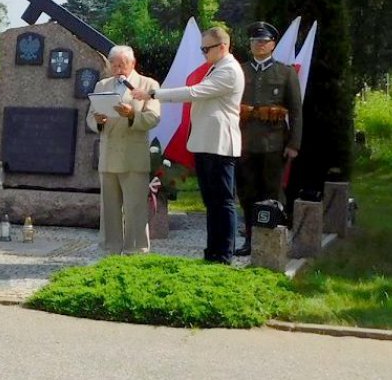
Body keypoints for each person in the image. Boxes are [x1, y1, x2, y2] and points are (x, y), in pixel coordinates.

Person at [135, 28, 242, 263]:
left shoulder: (229, 70)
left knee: (222, 201)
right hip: (206, 142)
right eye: (202, 48)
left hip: (220, 144)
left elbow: (195, 92)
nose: (203, 53)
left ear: (222, 46)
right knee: (211, 201)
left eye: (207, 49)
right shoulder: (215, 68)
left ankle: (224, 252)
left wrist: (154, 94)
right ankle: (213, 250)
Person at [87, 46, 161, 254]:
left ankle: (136, 250)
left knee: (135, 208)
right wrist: (98, 120)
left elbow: (153, 117)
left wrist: (131, 116)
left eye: (122, 64)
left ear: (133, 64)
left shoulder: (148, 84)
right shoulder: (102, 85)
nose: (118, 69)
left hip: (133, 157)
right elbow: (90, 118)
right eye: (114, 64)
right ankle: (109, 248)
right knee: (109, 208)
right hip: (109, 155)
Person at [237, 22, 302, 254]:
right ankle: (251, 239)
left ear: (273, 44)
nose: (259, 45)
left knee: (272, 192)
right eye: (255, 41)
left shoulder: (285, 73)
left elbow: (295, 110)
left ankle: (274, 238)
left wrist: (294, 143)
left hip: (274, 142)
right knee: (247, 192)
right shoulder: (240, 71)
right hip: (244, 142)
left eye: (263, 41)